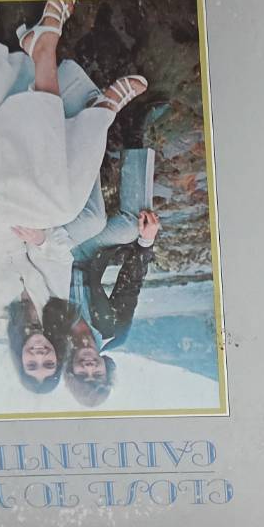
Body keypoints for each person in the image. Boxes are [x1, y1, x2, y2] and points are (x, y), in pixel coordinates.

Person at [0, 0, 148, 345]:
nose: (39, 355)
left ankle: (59, 67)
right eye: (47, 361)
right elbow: (57, 260)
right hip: (25, 228)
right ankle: (95, 107)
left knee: (45, 195)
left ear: (20, 358)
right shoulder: (51, 314)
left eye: (33, 364)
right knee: (62, 206)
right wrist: (41, 241)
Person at [64, 148, 162, 407]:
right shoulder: (113, 333)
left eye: (82, 375)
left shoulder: (50, 339)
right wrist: (146, 241)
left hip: (51, 254)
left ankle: (81, 146)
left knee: (92, 219)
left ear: (71, 372)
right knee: (132, 225)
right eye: (97, 374)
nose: (89, 367)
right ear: (106, 370)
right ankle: (135, 141)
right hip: (86, 255)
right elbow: (129, 286)